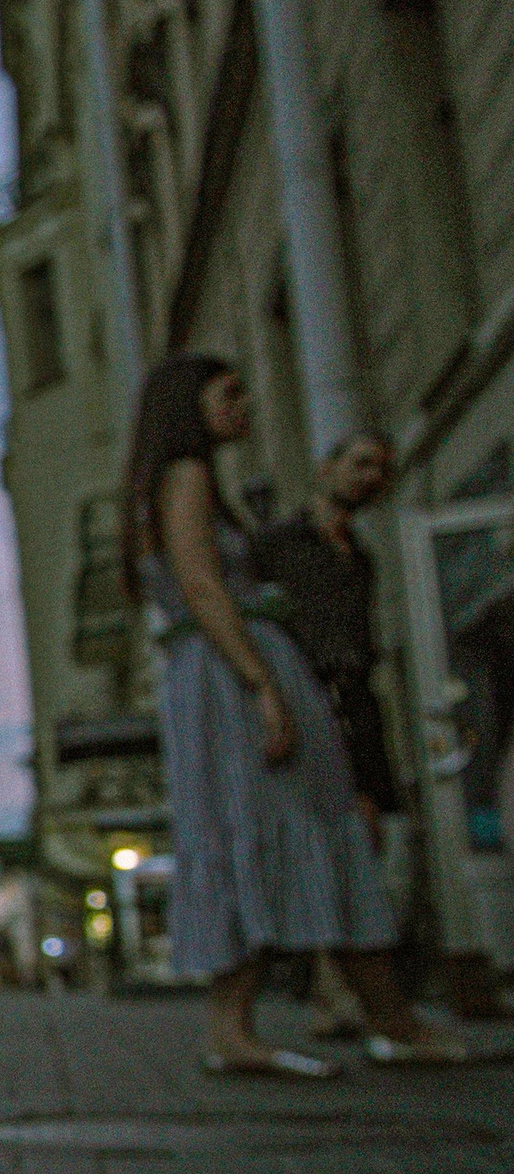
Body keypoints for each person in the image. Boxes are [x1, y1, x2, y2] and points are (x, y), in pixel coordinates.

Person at [127, 356, 460, 1072]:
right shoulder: (187, 475)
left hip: (219, 673)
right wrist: (263, 685)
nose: (245, 405)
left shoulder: (175, 482)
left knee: (264, 832)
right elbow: (202, 587)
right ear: (190, 403)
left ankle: (254, 1029)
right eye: (230, 393)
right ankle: (377, 1021)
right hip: (234, 674)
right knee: (305, 827)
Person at [251, 432, 405, 1037]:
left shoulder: (360, 556)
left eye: (381, 469)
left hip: (357, 702)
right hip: (304, 697)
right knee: (319, 839)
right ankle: (332, 990)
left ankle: (349, 988)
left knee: (366, 835)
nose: (371, 477)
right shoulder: (279, 544)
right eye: (361, 463)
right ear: (326, 467)